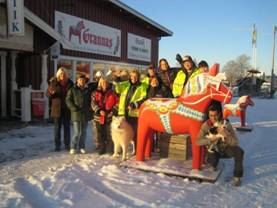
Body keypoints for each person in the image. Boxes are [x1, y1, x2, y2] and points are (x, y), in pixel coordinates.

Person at [196, 105, 244, 186]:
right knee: (213, 162)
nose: (213, 118)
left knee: (240, 152)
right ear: (208, 115)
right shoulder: (206, 125)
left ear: (219, 114)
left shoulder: (226, 124)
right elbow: (197, 142)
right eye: (211, 115)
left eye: (215, 115)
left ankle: (237, 177)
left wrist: (226, 135)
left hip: (225, 148)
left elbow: (235, 142)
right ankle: (213, 163)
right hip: (213, 149)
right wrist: (210, 140)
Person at [114, 69, 148, 146]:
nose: (133, 78)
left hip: (133, 113)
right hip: (123, 113)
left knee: (134, 132)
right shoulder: (126, 84)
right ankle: (122, 148)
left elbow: (144, 98)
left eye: (135, 76)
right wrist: (117, 78)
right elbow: (117, 90)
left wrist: (134, 104)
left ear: (138, 77)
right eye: (132, 76)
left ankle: (136, 149)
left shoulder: (142, 86)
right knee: (122, 132)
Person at [46, 67, 73, 151]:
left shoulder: (70, 83)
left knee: (67, 127)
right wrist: (51, 94)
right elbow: (47, 93)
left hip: (67, 108)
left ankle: (67, 144)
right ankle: (57, 145)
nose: (62, 75)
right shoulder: (54, 82)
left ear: (66, 74)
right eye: (61, 74)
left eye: (64, 74)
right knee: (57, 128)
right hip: (57, 108)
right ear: (58, 74)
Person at [91, 77, 118, 155]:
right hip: (99, 116)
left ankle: (110, 149)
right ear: (100, 83)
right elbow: (93, 103)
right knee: (100, 133)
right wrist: (99, 110)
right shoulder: (94, 93)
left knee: (109, 133)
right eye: (102, 82)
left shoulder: (113, 93)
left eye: (106, 82)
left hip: (110, 116)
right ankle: (102, 148)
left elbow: (117, 102)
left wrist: (113, 111)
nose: (104, 84)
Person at [66, 74, 91, 155]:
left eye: (83, 80)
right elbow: (68, 100)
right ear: (77, 80)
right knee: (77, 132)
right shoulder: (73, 89)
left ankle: (82, 147)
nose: (82, 81)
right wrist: (73, 108)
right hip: (76, 113)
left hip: (85, 114)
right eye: (80, 80)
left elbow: (91, 100)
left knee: (83, 132)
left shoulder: (88, 89)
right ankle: (73, 147)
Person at [87, 71, 103, 151]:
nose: (98, 79)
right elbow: (91, 99)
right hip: (95, 111)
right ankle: (97, 144)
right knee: (96, 129)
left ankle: (103, 143)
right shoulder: (91, 86)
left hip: (103, 112)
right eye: (97, 77)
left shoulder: (106, 86)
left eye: (100, 77)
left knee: (102, 128)